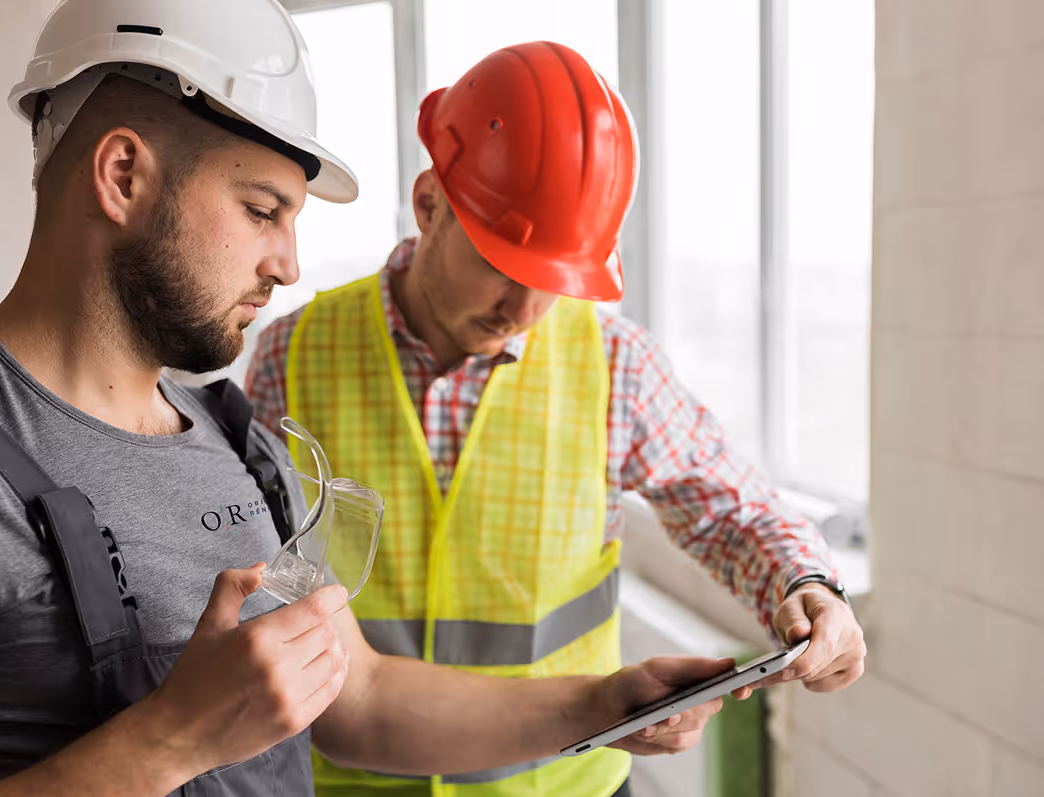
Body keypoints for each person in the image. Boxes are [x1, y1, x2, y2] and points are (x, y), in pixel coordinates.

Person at [0, 4, 737, 796]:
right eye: (262, 210)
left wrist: (600, 700)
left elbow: (360, 704)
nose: (289, 264)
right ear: (123, 177)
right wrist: (169, 741)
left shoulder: (238, 446)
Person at [246, 40, 869, 797]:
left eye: (554, 281)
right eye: (504, 268)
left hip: (564, 781)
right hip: (358, 783)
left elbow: (727, 502)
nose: (524, 311)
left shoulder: (614, 362)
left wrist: (801, 581)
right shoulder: (293, 354)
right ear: (429, 205)